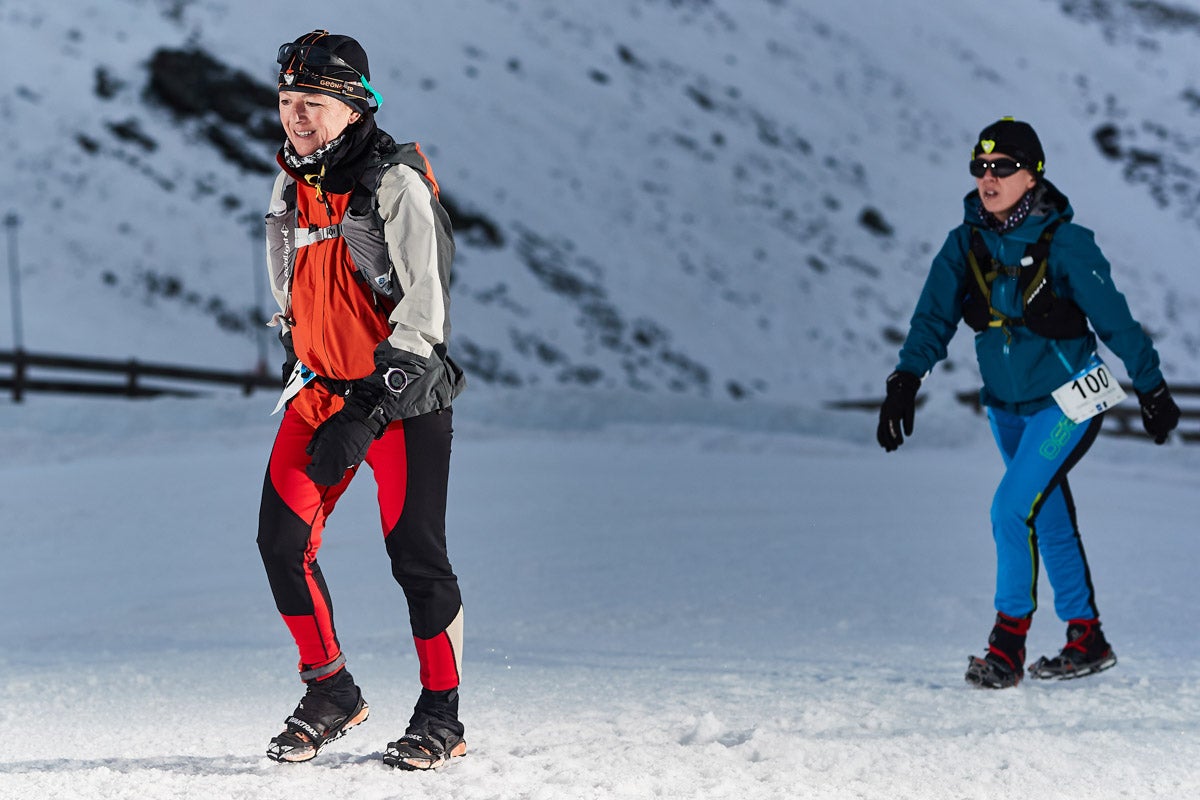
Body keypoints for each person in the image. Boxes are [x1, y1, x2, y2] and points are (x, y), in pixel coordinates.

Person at [877, 117, 1181, 689]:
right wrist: (905, 379)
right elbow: (933, 316)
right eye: (980, 167)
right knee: (1047, 512)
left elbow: (1114, 319)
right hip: (1005, 405)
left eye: (1003, 168)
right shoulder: (964, 242)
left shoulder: (1066, 243)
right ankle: (1086, 638)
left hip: (1070, 400)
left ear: (1032, 173)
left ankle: (1007, 645)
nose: (988, 179)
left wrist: (1152, 385)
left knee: (1009, 508)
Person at [256, 29, 468, 767]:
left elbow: (427, 317)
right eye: (287, 101)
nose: (295, 116)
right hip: (319, 395)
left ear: (354, 107)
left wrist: (369, 410)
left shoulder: (394, 182)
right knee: (282, 545)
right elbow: (289, 284)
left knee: (416, 558)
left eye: (311, 102)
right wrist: (302, 353)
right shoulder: (291, 180)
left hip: (399, 405)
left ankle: (442, 714)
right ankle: (332, 692)